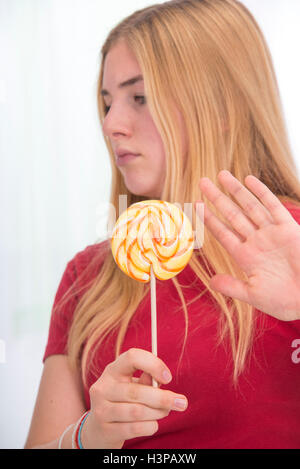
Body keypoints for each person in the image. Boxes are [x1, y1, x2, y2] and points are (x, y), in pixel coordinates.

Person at [25, 0, 300, 449]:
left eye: (140, 97)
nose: (111, 124)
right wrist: (85, 436)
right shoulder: (88, 276)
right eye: (107, 102)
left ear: (222, 104)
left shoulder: (296, 246)